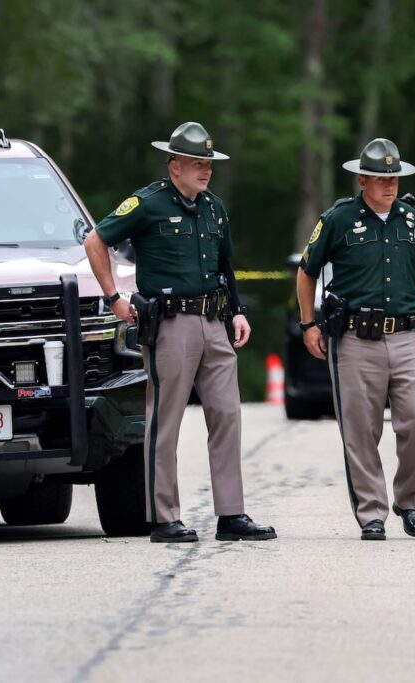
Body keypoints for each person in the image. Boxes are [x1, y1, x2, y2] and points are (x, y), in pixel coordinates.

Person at [84, 122, 276, 544]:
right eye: (196, 163)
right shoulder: (147, 203)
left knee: (227, 413)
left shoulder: (214, 208)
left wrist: (239, 311)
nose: (205, 170)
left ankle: (231, 514)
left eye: (208, 163)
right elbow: (95, 240)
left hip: (214, 321)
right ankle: (163, 516)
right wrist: (115, 297)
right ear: (174, 166)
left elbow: (226, 265)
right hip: (171, 325)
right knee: (164, 420)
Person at [295, 138, 415, 541]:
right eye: (380, 178)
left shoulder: (413, 220)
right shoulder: (339, 219)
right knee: (361, 429)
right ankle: (371, 512)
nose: (389, 185)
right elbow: (307, 272)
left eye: (394, 177)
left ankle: (409, 501)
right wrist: (309, 325)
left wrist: (414, 310)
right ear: (362, 179)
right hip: (356, 338)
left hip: (406, 334)